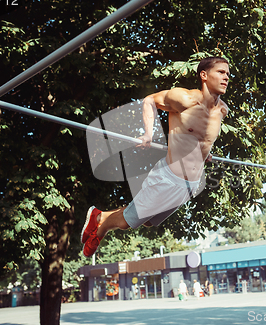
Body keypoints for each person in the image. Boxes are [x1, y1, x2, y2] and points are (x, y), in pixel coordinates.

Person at [80, 57, 230, 257]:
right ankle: (102, 225)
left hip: (189, 185)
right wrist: (148, 134)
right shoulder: (184, 99)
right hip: (168, 178)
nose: (226, 77)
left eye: (228, 74)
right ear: (204, 75)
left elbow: (201, 137)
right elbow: (150, 100)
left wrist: (204, 153)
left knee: (149, 221)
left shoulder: (221, 110)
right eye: (221, 72)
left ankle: (101, 216)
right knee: (128, 222)